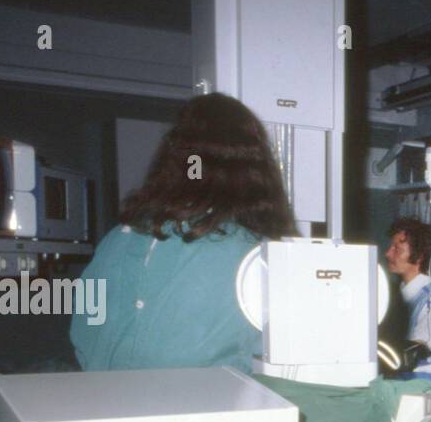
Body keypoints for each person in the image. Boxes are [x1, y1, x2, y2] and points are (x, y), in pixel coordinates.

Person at [70, 93, 295, 373]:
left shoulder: (116, 239)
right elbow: (285, 365)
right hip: (206, 414)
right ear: (255, 169)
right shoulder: (255, 255)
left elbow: (83, 336)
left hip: (98, 406)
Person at [384, 217, 431, 368]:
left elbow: (416, 349)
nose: (388, 254)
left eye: (397, 249)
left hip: (423, 383)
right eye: (391, 247)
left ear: (420, 256)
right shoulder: (399, 293)